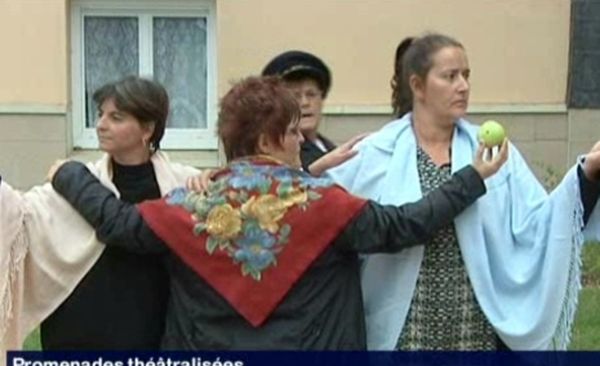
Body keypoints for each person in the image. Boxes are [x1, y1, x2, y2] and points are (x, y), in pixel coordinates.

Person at [47, 75, 507, 351]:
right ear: (269, 139)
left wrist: (68, 173)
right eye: (292, 132)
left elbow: (119, 223)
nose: (301, 142)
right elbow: (407, 224)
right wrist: (473, 176)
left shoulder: (191, 203)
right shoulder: (325, 203)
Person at [327, 33, 600, 351]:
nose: (463, 86)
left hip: (477, 340)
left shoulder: (493, 154)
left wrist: (587, 175)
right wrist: (311, 170)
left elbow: (540, 223)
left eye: (466, 75)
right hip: (402, 341)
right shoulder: (375, 154)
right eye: (450, 76)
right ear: (417, 86)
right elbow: (320, 220)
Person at [0, 76, 201, 366]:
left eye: (116, 117)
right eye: (101, 114)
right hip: (78, 347)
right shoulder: (69, 186)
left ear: (148, 129)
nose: (101, 124)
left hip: (153, 348)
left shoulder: (182, 185)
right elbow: (19, 217)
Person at [262, 50, 337, 170]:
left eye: (311, 94)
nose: (305, 103)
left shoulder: (329, 147)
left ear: (322, 98)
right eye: (295, 96)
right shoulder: (282, 154)